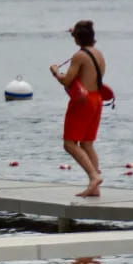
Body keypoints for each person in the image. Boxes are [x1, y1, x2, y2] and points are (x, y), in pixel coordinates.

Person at [50, 20, 107, 197]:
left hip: (83, 102)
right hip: (97, 99)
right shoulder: (99, 54)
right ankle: (95, 187)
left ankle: (93, 177)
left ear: (78, 37)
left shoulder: (79, 56)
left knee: (69, 143)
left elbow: (66, 81)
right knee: (87, 143)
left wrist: (56, 72)